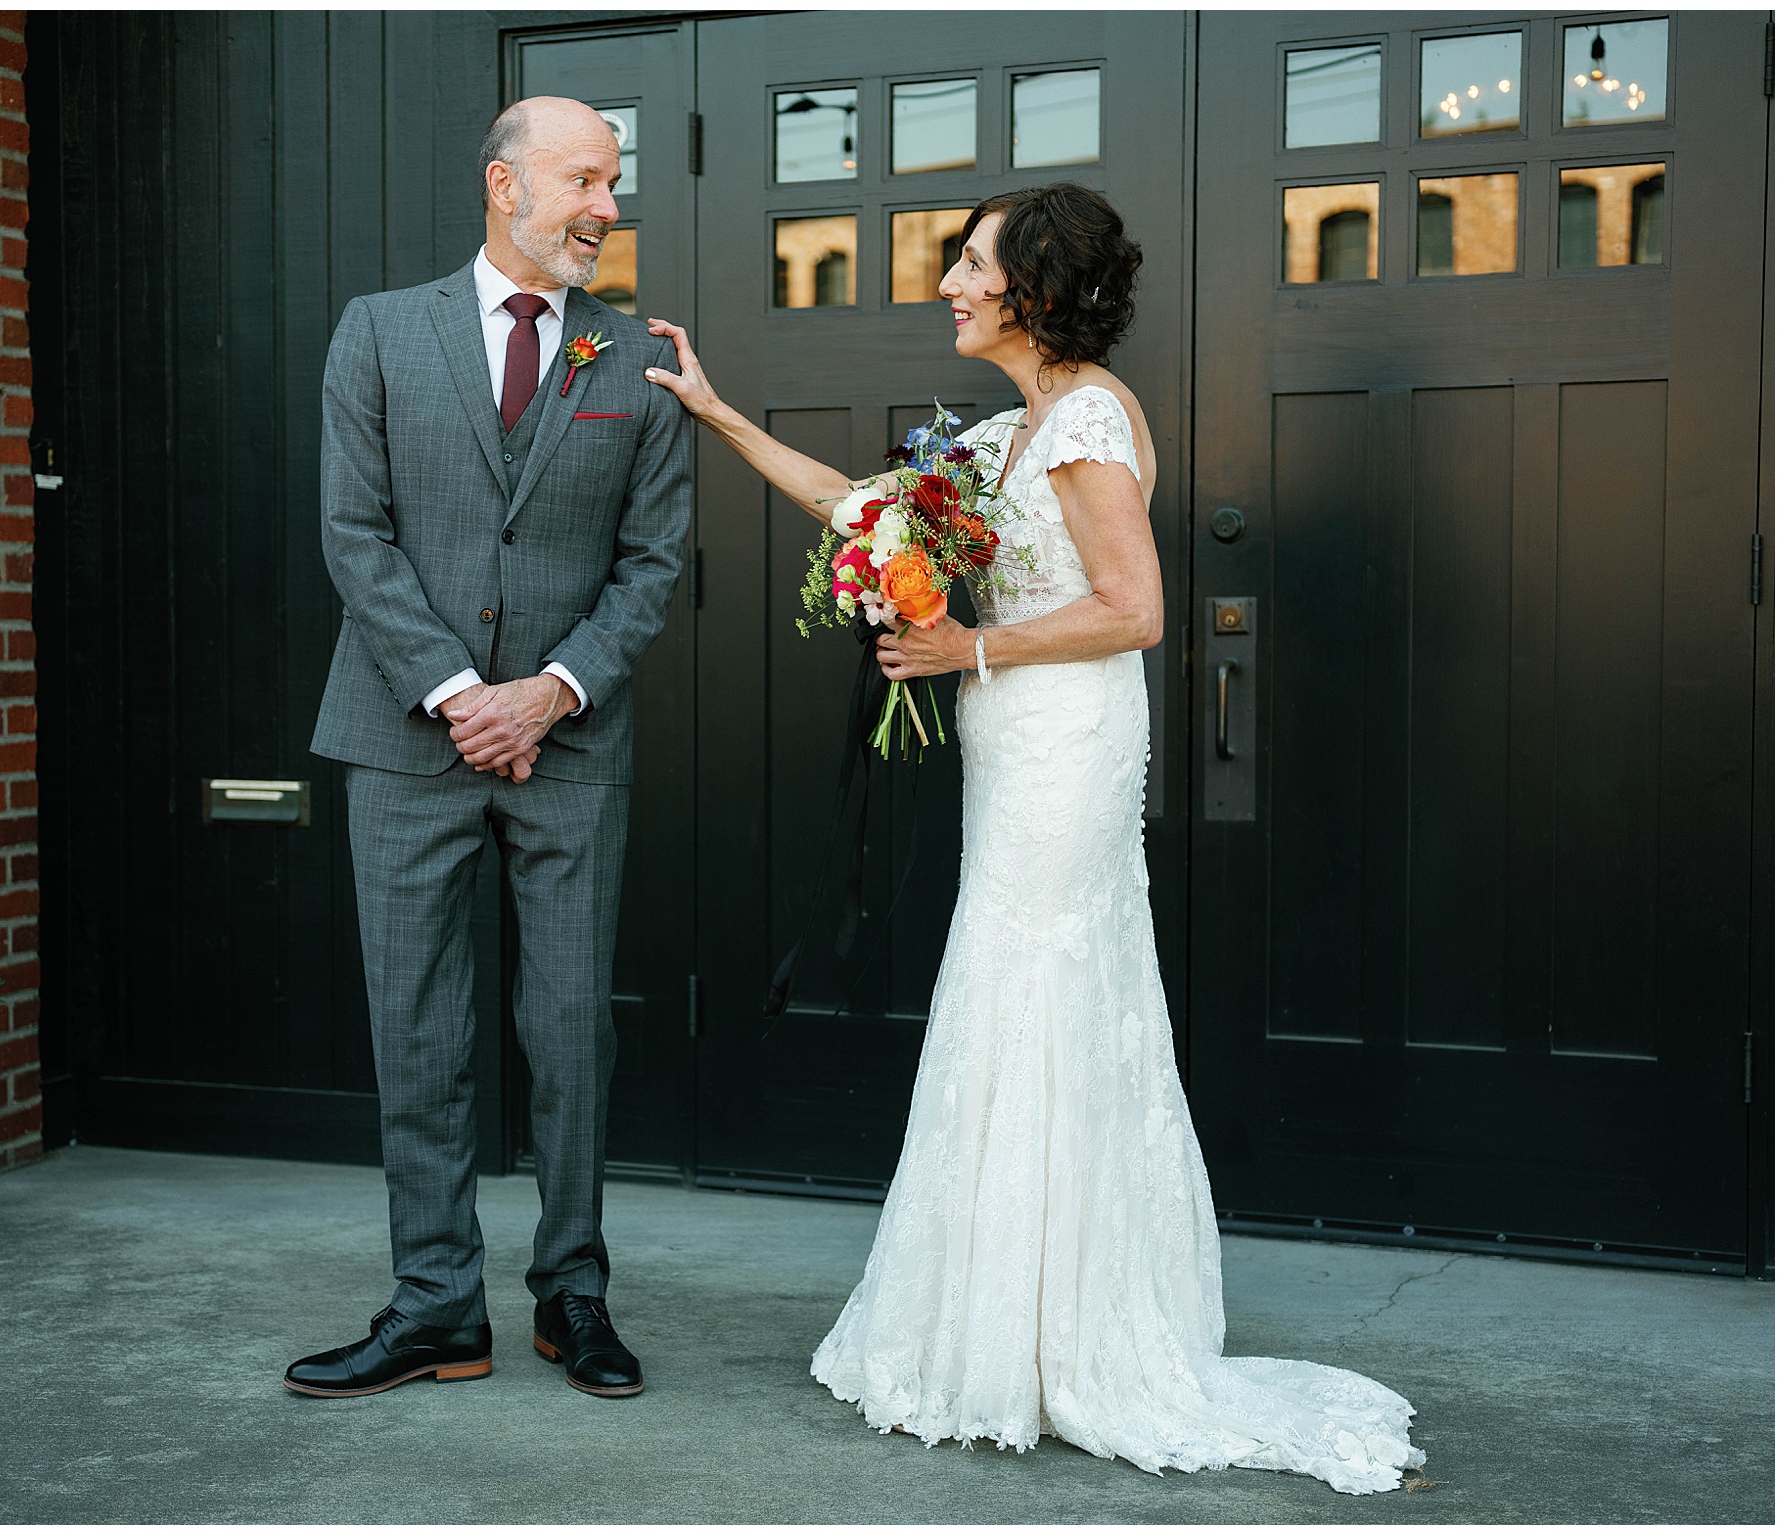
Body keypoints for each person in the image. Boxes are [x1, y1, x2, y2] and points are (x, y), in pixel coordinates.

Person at [643, 183, 1426, 1493]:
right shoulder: (1007, 431)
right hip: (1014, 743)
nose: (949, 280)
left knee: (1041, 992)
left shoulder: (1087, 421)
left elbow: (1136, 608)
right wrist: (717, 413)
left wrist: (967, 644)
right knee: (1008, 997)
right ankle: (1003, 1325)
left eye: (970, 262)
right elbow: (859, 503)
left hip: (1065, 742)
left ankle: (1057, 1340)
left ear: (1032, 289)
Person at [287, 97, 690, 1400]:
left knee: (572, 1029)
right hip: (407, 733)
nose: (607, 208)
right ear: (504, 186)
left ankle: (575, 1295)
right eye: (585, 180)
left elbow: (652, 565)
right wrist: (465, 693)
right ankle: (434, 1309)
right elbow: (357, 538)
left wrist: (550, 693)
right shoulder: (381, 332)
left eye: (614, 184)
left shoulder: (640, 359)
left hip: (570, 743)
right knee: (417, 1028)